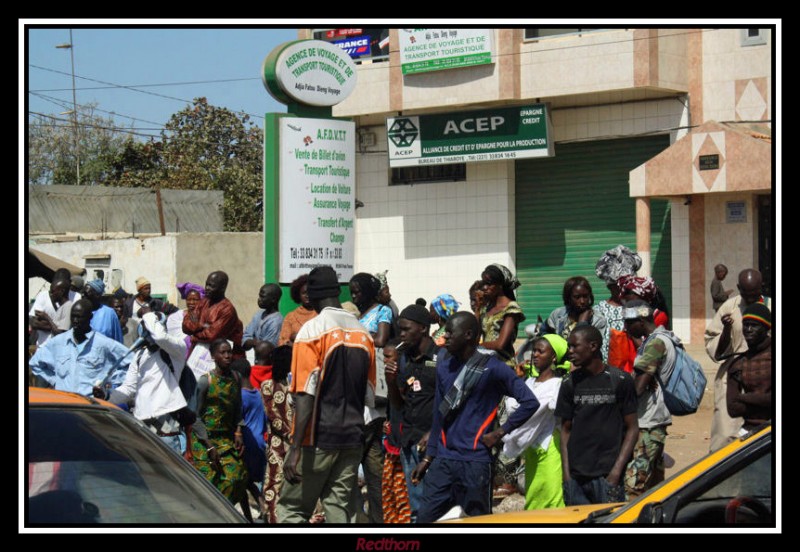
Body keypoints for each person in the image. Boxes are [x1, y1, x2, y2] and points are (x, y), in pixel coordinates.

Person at [410, 312, 538, 522]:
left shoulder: (494, 368)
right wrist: (428, 458)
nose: (445, 337)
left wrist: (500, 432)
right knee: (425, 520)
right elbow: (438, 415)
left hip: (475, 463)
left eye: (450, 333)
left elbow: (530, 402)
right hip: (443, 461)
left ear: (468, 334)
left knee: (477, 522)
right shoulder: (444, 365)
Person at [277, 266, 376, 524]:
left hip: (317, 439)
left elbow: (305, 394)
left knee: (292, 512)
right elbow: (371, 395)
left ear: (312, 293)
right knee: (338, 511)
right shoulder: (364, 335)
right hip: (352, 439)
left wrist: (296, 447)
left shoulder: (311, 331)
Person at [555, 325, 638, 506]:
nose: (570, 351)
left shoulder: (620, 380)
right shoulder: (569, 383)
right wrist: (567, 476)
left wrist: (616, 473)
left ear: (593, 347)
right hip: (576, 480)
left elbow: (632, 428)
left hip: (607, 478)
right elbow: (565, 430)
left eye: (574, 346)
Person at [705, 268, 771, 452]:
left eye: (754, 294)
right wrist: (726, 330)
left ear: (761, 287)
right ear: (738, 288)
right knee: (725, 434)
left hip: (765, 376)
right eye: (745, 294)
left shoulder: (771, 306)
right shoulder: (729, 307)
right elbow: (713, 345)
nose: (749, 299)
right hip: (732, 374)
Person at [502, 333, 569, 510]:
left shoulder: (557, 385)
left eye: (541, 351)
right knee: (534, 497)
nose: (535, 355)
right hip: (531, 450)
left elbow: (529, 410)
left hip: (549, 449)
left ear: (553, 356)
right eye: (534, 350)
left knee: (551, 498)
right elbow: (513, 408)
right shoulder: (529, 382)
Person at [384, 304, 439, 521]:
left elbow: (451, 402)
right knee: (416, 507)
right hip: (409, 441)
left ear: (423, 329)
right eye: (400, 330)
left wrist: (434, 431)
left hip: (434, 443)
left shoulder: (441, 358)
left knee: (437, 504)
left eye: (407, 330)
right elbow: (399, 404)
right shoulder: (404, 359)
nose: (402, 335)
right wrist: (390, 382)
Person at [108, 311, 190, 454]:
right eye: (144, 327)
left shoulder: (176, 350)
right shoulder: (139, 355)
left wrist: (149, 315)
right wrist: (106, 396)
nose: (147, 330)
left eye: (150, 326)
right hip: (141, 422)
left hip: (165, 424)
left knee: (167, 473)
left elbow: (160, 337)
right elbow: (129, 389)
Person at [190, 338, 251, 522]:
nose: (227, 356)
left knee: (239, 477)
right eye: (222, 353)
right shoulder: (205, 381)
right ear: (213, 356)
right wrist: (209, 446)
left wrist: (239, 431)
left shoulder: (236, 378)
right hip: (204, 439)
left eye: (229, 352)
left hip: (225, 437)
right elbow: (195, 416)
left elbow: (238, 408)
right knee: (210, 482)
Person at [349, 272, 392, 523]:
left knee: (354, 462)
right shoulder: (361, 314)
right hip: (363, 389)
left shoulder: (382, 311)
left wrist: (357, 337)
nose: (354, 296)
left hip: (373, 390)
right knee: (372, 465)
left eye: (357, 291)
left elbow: (381, 339)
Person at [621, 300, 675, 499]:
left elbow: (638, 388)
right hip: (654, 420)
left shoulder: (655, 343)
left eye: (629, 322)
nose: (626, 327)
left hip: (648, 423)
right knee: (654, 487)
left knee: (633, 487)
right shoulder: (663, 337)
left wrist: (633, 382)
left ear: (642, 319)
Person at [29, 299, 131, 397]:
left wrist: (111, 381)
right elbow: (35, 363)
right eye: (73, 317)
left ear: (89, 317)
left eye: (79, 317)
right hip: (64, 404)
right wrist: (55, 381)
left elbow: (131, 361)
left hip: (90, 407)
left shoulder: (103, 343)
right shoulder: (58, 342)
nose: (75, 320)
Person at [182, 271, 245, 378]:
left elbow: (212, 335)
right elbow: (186, 325)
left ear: (222, 288)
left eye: (211, 286)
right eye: (207, 284)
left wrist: (195, 330)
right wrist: (202, 325)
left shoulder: (227, 309)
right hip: (198, 353)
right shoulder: (204, 301)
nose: (207, 288)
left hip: (221, 361)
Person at [725, 303, 772, 435]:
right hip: (749, 432)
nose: (749, 329)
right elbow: (733, 409)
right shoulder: (738, 364)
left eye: (755, 325)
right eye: (746, 325)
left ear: (766, 328)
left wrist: (744, 397)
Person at [231, 357, 269, 519]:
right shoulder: (257, 394)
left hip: (247, 444)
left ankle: (261, 503)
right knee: (247, 481)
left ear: (237, 375)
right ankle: (253, 513)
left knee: (243, 480)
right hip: (260, 443)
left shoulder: (241, 396)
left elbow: (237, 421)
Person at [260, 344, 294, 524]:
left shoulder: (297, 385)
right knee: (274, 483)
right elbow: (272, 416)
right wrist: (290, 435)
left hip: (296, 444)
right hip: (278, 446)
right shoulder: (268, 386)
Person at [381, 339, 412, 524]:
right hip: (391, 444)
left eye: (388, 356)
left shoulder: (407, 377)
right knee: (389, 494)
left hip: (403, 446)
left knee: (403, 499)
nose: (384, 360)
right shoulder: (390, 377)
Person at [594, 244, 643, 362]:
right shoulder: (599, 311)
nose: (623, 290)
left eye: (628, 285)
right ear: (610, 286)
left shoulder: (642, 308)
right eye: (619, 286)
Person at [477, 264, 525, 367]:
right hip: (485, 363)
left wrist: (477, 346)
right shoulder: (486, 308)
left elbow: (500, 344)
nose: (485, 288)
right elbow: (475, 334)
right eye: (483, 284)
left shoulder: (511, 309)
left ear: (500, 285)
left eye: (489, 284)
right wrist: (477, 309)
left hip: (503, 365)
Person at [544, 276, 608, 343]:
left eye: (585, 296)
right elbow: (544, 333)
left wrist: (582, 323)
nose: (582, 301)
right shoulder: (558, 314)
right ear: (568, 297)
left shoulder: (598, 320)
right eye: (577, 297)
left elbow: (584, 348)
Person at [29, 269, 74, 348]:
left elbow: (66, 331)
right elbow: (34, 323)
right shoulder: (43, 296)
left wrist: (46, 319)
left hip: (63, 348)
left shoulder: (75, 299)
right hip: (43, 347)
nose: (51, 294)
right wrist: (58, 327)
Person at [166, 282, 204, 356]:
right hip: (179, 355)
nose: (191, 302)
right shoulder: (175, 317)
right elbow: (172, 338)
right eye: (188, 299)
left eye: (195, 299)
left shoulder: (206, 316)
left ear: (201, 301)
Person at [278, 274, 317, 347]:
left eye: (310, 292)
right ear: (298, 295)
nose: (307, 295)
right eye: (303, 293)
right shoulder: (291, 316)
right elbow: (283, 340)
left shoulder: (321, 313)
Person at [242, 283, 283, 351]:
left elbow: (265, 349)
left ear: (273, 299)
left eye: (262, 297)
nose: (259, 299)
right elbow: (244, 341)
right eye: (259, 296)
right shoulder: (258, 315)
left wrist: (253, 341)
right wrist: (257, 342)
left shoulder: (276, 322)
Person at [82, 279, 124, 343]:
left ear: (97, 295)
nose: (83, 297)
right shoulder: (80, 311)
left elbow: (117, 340)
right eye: (83, 294)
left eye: (86, 294)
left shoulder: (109, 313)